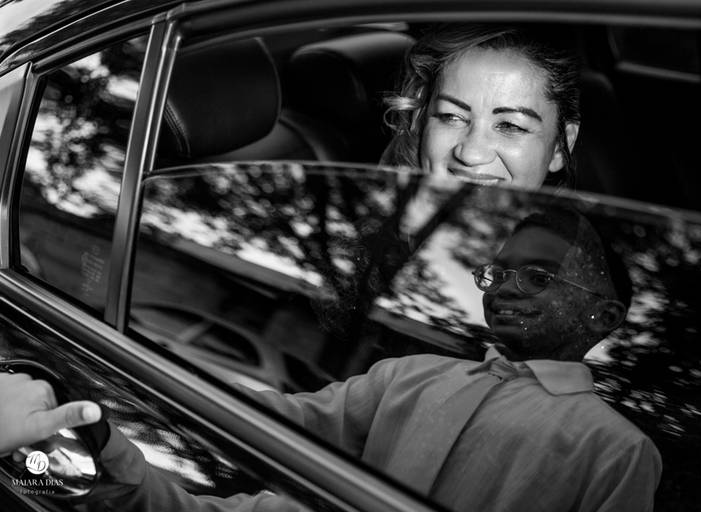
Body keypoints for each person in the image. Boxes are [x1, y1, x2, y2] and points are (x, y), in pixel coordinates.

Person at [0, 206, 661, 511]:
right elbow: (259, 424)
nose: (508, 287)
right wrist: (108, 417)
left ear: (604, 318)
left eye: (540, 277)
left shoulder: (616, 450)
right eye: (498, 273)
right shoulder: (412, 376)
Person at [383, 23, 581, 190]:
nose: (470, 154)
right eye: (451, 117)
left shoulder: (572, 236)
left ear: (560, 148)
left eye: (511, 126)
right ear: (421, 119)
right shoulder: (371, 224)